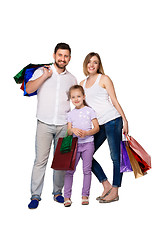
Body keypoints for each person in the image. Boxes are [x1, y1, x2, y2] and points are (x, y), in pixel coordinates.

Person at [26, 43, 77, 209]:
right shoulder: (42, 71)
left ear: (69, 58)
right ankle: (35, 195)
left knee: (61, 161)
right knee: (40, 161)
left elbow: (75, 100)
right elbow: (28, 88)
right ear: (54, 55)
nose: (63, 59)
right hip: (44, 123)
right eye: (60, 55)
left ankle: (57, 193)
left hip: (64, 125)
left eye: (66, 56)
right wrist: (44, 77)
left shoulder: (72, 79)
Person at [80, 52, 128, 203]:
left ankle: (115, 190)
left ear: (99, 65)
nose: (92, 65)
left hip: (113, 120)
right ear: (85, 64)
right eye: (89, 62)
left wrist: (125, 120)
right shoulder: (81, 84)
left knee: (115, 156)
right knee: (86, 154)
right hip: (98, 124)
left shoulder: (104, 79)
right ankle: (106, 185)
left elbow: (114, 100)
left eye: (95, 62)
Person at [63, 85, 99, 207]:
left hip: (88, 144)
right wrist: (72, 129)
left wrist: (87, 133)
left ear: (83, 97)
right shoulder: (71, 114)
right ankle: (67, 197)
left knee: (86, 170)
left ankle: (85, 195)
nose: (76, 99)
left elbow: (97, 128)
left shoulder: (90, 111)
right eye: (73, 97)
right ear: (70, 99)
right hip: (75, 145)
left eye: (78, 96)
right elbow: (68, 131)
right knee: (69, 170)